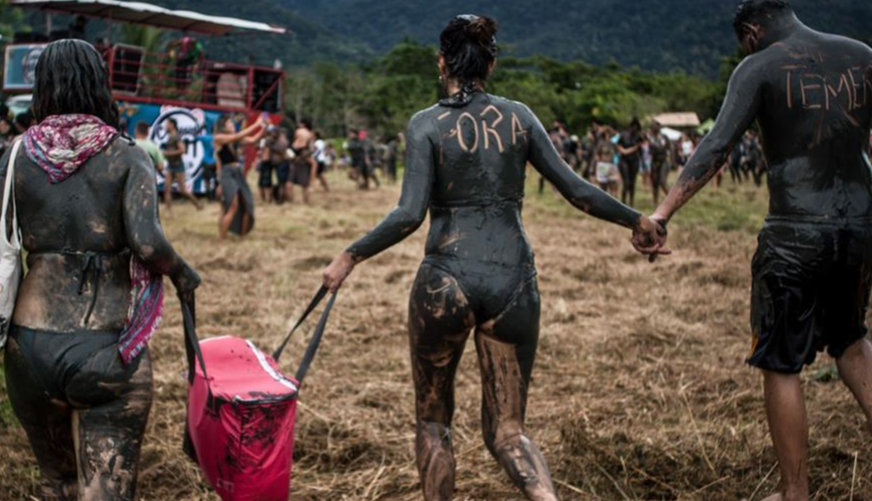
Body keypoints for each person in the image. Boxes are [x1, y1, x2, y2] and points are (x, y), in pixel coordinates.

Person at [322, 15, 667, 501]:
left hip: (445, 279)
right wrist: (637, 221)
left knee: (433, 420)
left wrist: (350, 255)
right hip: (512, 280)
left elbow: (407, 214)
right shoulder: (519, 117)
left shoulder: (426, 124)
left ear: (442, 63)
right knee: (508, 432)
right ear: (492, 63)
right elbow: (576, 189)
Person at [648, 2, 872, 500]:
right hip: (858, 226)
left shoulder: (760, 66)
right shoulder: (861, 55)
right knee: (853, 343)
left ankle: (795, 492)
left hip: (795, 233)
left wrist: (662, 213)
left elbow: (716, 147)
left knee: (781, 362)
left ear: (751, 32)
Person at [1, 39, 200, 500]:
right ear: (99, 83)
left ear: (41, 86)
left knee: (58, 485)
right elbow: (148, 244)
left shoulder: (16, 156)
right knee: (105, 492)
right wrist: (184, 274)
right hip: (104, 348)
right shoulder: (128, 155)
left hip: (27, 348)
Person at [214, 115, 266, 239]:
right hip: (227, 174)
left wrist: (265, 127)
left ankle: (240, 236)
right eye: (230, 124)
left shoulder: (234, 140)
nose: (233, 125)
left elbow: (253, 139)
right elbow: (237, 136)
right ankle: (222, 238)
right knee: (231, 206)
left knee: (244, 204)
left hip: (237, 173)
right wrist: (257, 124)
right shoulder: (219, 138)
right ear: (223, 127)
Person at [161, 118, 202, 211]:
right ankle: (168, 210)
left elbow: (182, 150)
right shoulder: (170, 136)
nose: (165, 126)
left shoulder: (176, 136)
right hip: (171, 166)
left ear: (172, 125)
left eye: (167, 124)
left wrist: (168, 153)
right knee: (167, 188)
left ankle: (198, 205)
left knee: (182, 190)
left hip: (178, 165)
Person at [615, 118, 644, 207]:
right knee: (626, 182)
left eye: (636, 127)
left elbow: (640, 150)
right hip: (624, 160)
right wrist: (631, 149)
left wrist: (643, 164)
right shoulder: (623, 135)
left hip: (634, 161)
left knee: (632, 182)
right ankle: (623, 202)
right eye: (633, 126)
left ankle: (631, 202)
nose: (634, 129)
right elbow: (620, 148)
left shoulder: (639, 136)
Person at [287, 119, 317, 204]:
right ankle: (294, 202)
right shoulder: (308, 134)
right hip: (297, 161)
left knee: (304, 185)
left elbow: (311, 149)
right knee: (290, 184)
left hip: (302, 160)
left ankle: (305, 202)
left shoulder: (306, 134)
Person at [647, 121, 671, 205]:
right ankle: (655, 202)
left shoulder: (664, 138)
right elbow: (651, 151)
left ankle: (671, 201)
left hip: (664, 161)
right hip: (654, 162)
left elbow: (666, 149)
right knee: (655, 183)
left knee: (662, 181)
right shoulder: (650, 139)